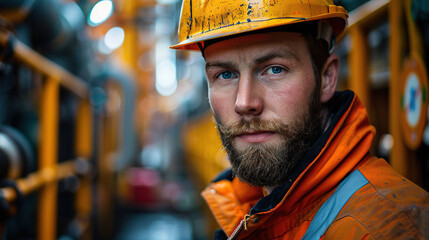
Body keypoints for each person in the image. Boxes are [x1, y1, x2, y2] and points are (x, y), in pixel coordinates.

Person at [171, 0, 429, 239]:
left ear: (326, 79)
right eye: (225, 75)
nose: (245, 103)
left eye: (274, 69)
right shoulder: (247, 207)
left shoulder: (385, 229)